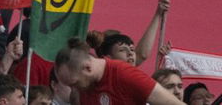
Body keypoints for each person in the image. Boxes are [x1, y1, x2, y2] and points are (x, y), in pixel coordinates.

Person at [54, 42, 183, 105]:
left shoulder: (124, 74)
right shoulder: (85, 87)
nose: (73, 89)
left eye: (74, 83)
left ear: (87, 68)